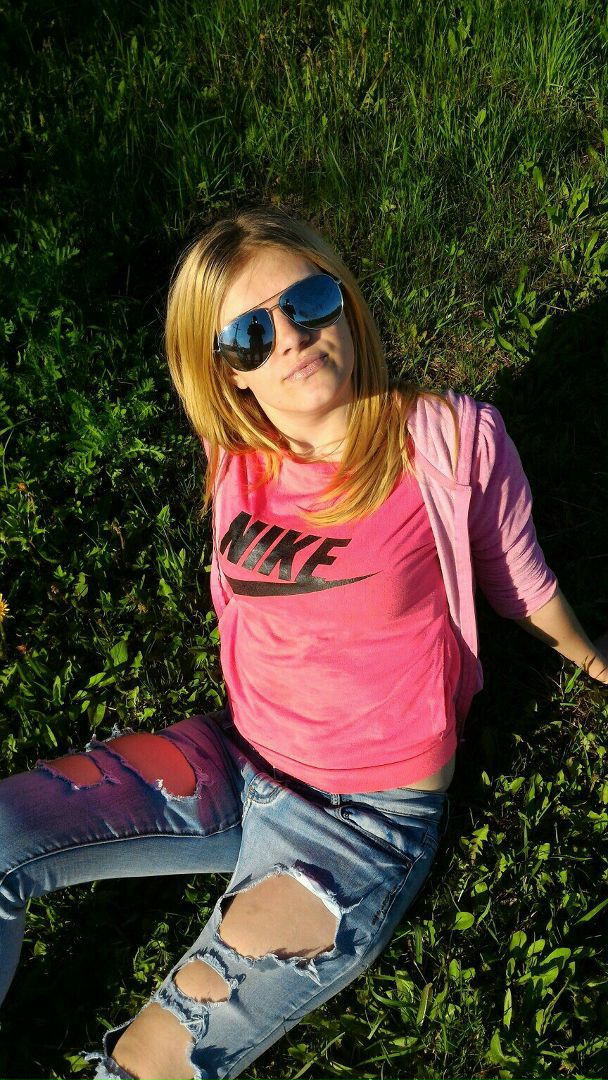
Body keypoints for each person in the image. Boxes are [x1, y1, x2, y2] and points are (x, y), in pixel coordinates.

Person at [1, 206, 607, 1080]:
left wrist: (587, 655)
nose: (287, 337)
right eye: (249, 336)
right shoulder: (235, 455)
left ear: (346, 304)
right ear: (225, 375)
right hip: (235, 754)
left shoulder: (448, 441)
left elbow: (517, 576)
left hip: (358, 823)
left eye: (308, 302)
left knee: (144, 1065)